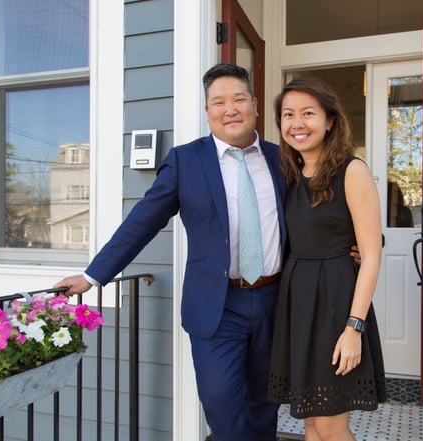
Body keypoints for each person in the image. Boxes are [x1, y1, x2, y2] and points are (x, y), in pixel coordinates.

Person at [54, 64, 287, 441]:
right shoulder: (186, 161)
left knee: (266, 402)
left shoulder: (283, 160)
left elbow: (312, 217)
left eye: (239, 99)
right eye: (218, 102)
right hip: (217, 306)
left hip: (276, 299)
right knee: (221, 402)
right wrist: (92, 275)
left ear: (255, 105)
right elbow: (141, 223)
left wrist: (352, 246)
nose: (230, 109)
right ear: (207, 110)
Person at [267, 77, 386, 441]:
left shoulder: (352, 171)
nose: (297, 123)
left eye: (308, 113)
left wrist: (354, 328)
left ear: (330, 120)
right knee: (309, 422)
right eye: (288, 115)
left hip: (336, 306)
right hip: (297, 306)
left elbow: (371, 256)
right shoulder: (288, 174)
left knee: (330, 425)